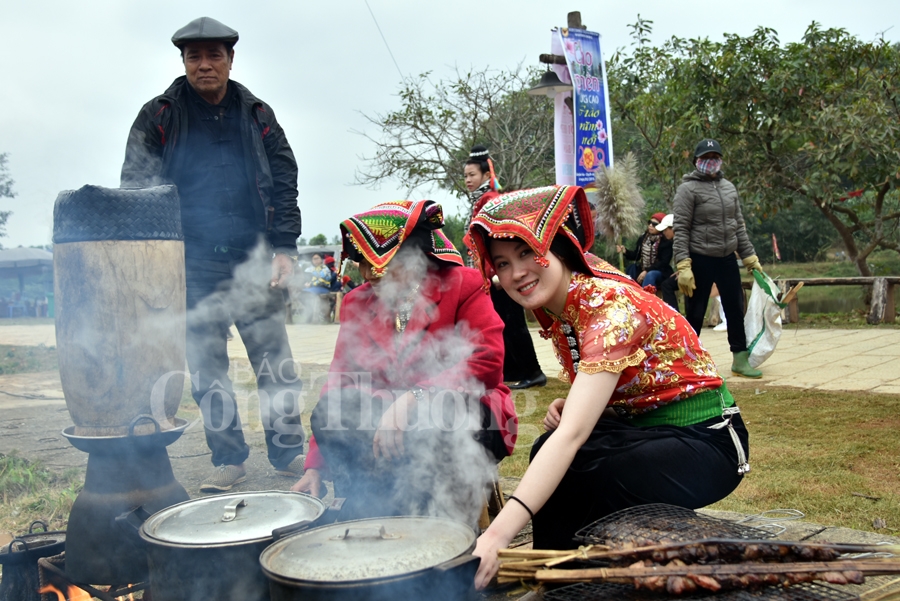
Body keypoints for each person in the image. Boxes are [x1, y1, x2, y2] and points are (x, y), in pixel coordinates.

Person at [465, 185, 749, 587]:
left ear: (557, 246)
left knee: (581, 461)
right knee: (549, 445)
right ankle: (557, 574)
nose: (517, 273)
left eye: (528, 252)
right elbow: (625, 389)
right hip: (648, 429)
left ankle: (571, 573)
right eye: (503, 263)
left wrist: (496, 534)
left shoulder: (607, 307)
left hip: (710, 442)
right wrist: (587, 404)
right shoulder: (565, 302)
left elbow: (574, 435)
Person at [120, 17, 305, 492]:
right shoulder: (159, 114)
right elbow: (136, 185)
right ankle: (229, 459)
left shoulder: (257, 113)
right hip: (191, 261)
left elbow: (284, 180)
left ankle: (288, 454)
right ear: (183, 61)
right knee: (206, 366)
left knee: (274, 360)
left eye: (214, 56)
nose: (204, 65)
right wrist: (150, 261)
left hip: (253, 259)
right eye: (194, 57)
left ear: (230, 59)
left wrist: (284, 247)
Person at [292, 200, 518, 523]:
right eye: (360, 262)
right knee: (331, 411)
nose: (366, 274)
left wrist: (414, 398)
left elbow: (487, 361)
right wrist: (315, 466)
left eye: (376, 262)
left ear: (413, 254)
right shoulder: (357, 302)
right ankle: (381, 509)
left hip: (465, 414)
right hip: (385, 425)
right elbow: (338, 381)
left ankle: (441, 523)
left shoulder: (462, 284)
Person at [673, 139, 763, 378]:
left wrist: (749, 257)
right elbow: (681, 228)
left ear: (721, 160)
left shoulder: (728, 188)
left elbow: (738, 227)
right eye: (706, 157)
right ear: (696, 161)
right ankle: (685, 363)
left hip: (726, 258)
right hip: (700, 258)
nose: (710, 162)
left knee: (735, 309)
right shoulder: (687, 189)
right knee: (695, 311)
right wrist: (683, 264)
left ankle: (740, 359)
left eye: (715, 157)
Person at [464, 146, 546, 389]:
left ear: (486, 176)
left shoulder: (490, 200)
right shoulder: (481, 200)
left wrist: (497, 273)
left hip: (499, 276)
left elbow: (498, 239)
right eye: (465, 176)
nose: (468, 180)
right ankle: (512, 370)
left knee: (513, 323)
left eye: (472, 175)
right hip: (492, 276)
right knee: (501, 323)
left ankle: (533, 371)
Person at [616, 212, 673, 288]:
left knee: (650, 275)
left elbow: (663, 263)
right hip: (643, 270)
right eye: (650, 222)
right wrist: (625, 251)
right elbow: (636, 255)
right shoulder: (643, 238)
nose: (650, 225)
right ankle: (629, 293)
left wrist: (647, 271)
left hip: (659, 272)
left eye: (654, 224)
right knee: (631, 268)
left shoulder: (666, 241)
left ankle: (646, 298)